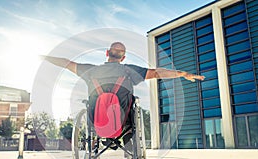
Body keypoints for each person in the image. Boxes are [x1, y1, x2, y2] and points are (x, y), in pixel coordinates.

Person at [41, 42, 205, 150]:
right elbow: (156, 73)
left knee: (91, 102)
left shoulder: (91, 70)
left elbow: (67, 63)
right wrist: (182, 73)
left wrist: (45, 58)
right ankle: (128, 138)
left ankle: (95, 139)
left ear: (107, 53)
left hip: (96, 119)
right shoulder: (128, 70)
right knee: (132, 103)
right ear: (123, 57)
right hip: (122, 120)